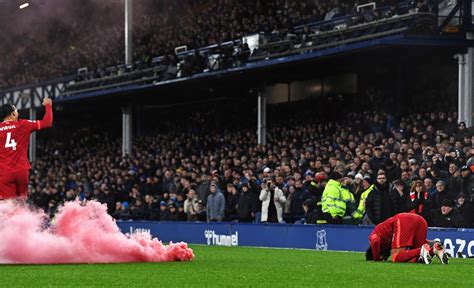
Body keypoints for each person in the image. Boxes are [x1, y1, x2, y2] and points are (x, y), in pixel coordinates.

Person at [0, 98, 53, 200]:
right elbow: (47, 122)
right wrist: (48, 106)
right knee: (21, 203)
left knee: (7, 206)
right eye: (16, 110)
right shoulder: (23, 124)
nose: (18, 113)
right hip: (22, 171)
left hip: (3, 173)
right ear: (13, 114)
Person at [366, 213, 448, 264]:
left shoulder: (375, 235)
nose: (384, 258)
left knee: (396, 257)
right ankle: (435, 249)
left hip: (402, 220)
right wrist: (432, 244)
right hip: (420, 220)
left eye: (382, 257)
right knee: (415, 259)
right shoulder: (386, 240)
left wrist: (376, 259)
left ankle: (422, 249)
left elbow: (375, 241)